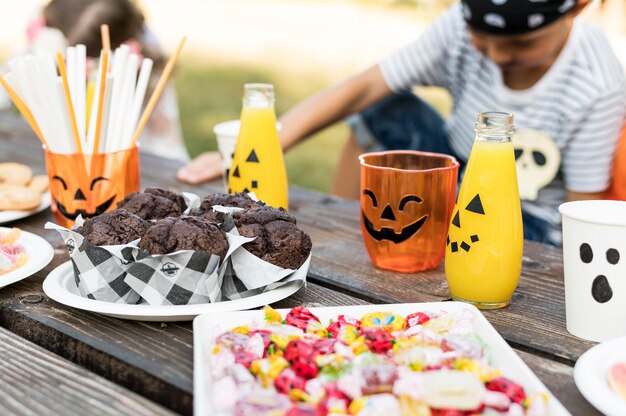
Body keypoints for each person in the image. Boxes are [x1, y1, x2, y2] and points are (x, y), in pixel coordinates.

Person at [177, 0, 626, 246]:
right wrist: (259, 146)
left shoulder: (598, 84)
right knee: (383, 107)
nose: (495, 54)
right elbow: (363, 88)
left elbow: (580, 215)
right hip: (452, 169)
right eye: (481, 39)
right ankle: (347, 234)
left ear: (580, 6)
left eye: (520, 44)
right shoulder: (457, 30)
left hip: (521, 215)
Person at [6, 0, 188, 162]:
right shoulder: (41, 48)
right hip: (44, 157)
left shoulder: (143, 62)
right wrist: (44, 66)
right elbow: (7, 86)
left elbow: (167, 139)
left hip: (125, 161)